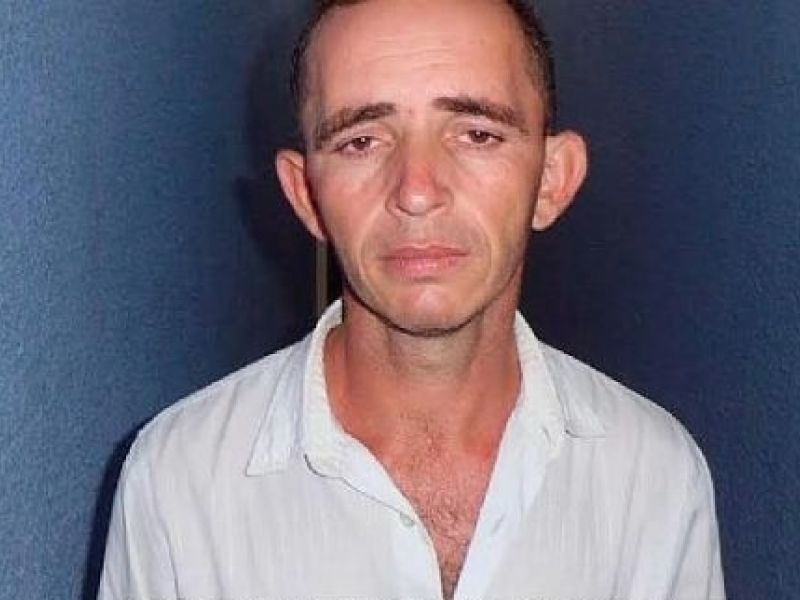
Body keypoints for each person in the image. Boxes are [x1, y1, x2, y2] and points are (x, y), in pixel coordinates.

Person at [98, 0, 725, 599]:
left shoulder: (655, 480)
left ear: (551, 181)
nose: (417, 191)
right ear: (307, 196)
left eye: (476, 134)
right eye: (362, 141)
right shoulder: (178, 484)